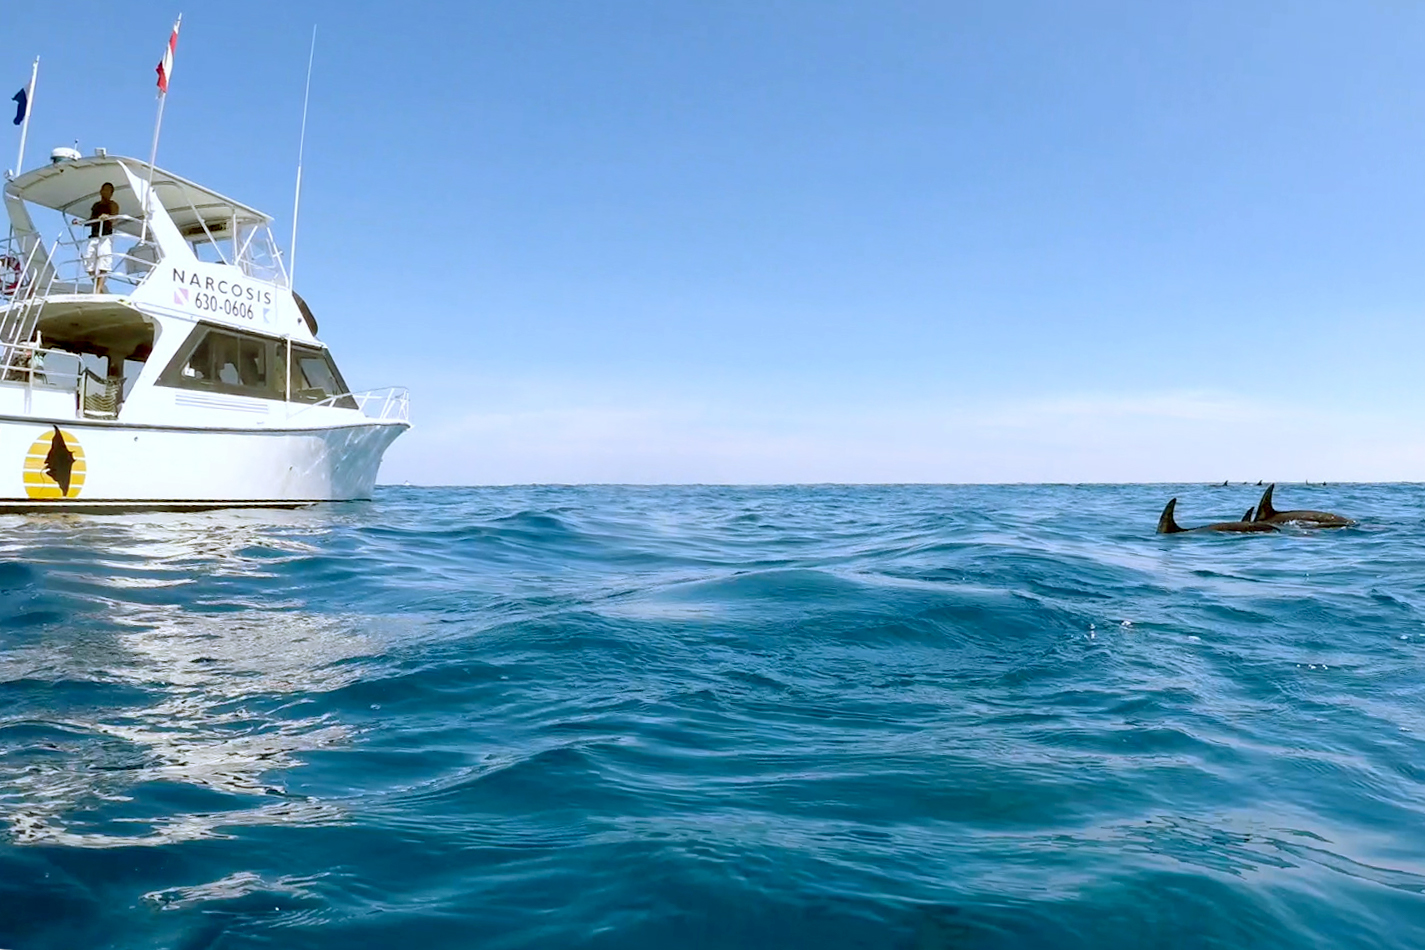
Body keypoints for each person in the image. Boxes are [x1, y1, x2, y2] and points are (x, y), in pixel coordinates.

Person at [81, 182, 120, 293]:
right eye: (104, 189)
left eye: (109, 190)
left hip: (105, 236)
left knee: (104, 262)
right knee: (89, 262)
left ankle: (98, 290)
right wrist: (81, 222)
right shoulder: (96, 205)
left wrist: (108, 217)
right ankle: (99, 289)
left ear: (112, 193)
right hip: (94, 235)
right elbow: (91, 219)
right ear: (100, 191)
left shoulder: (113, 205)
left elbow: (115, 219)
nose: (106, 192)